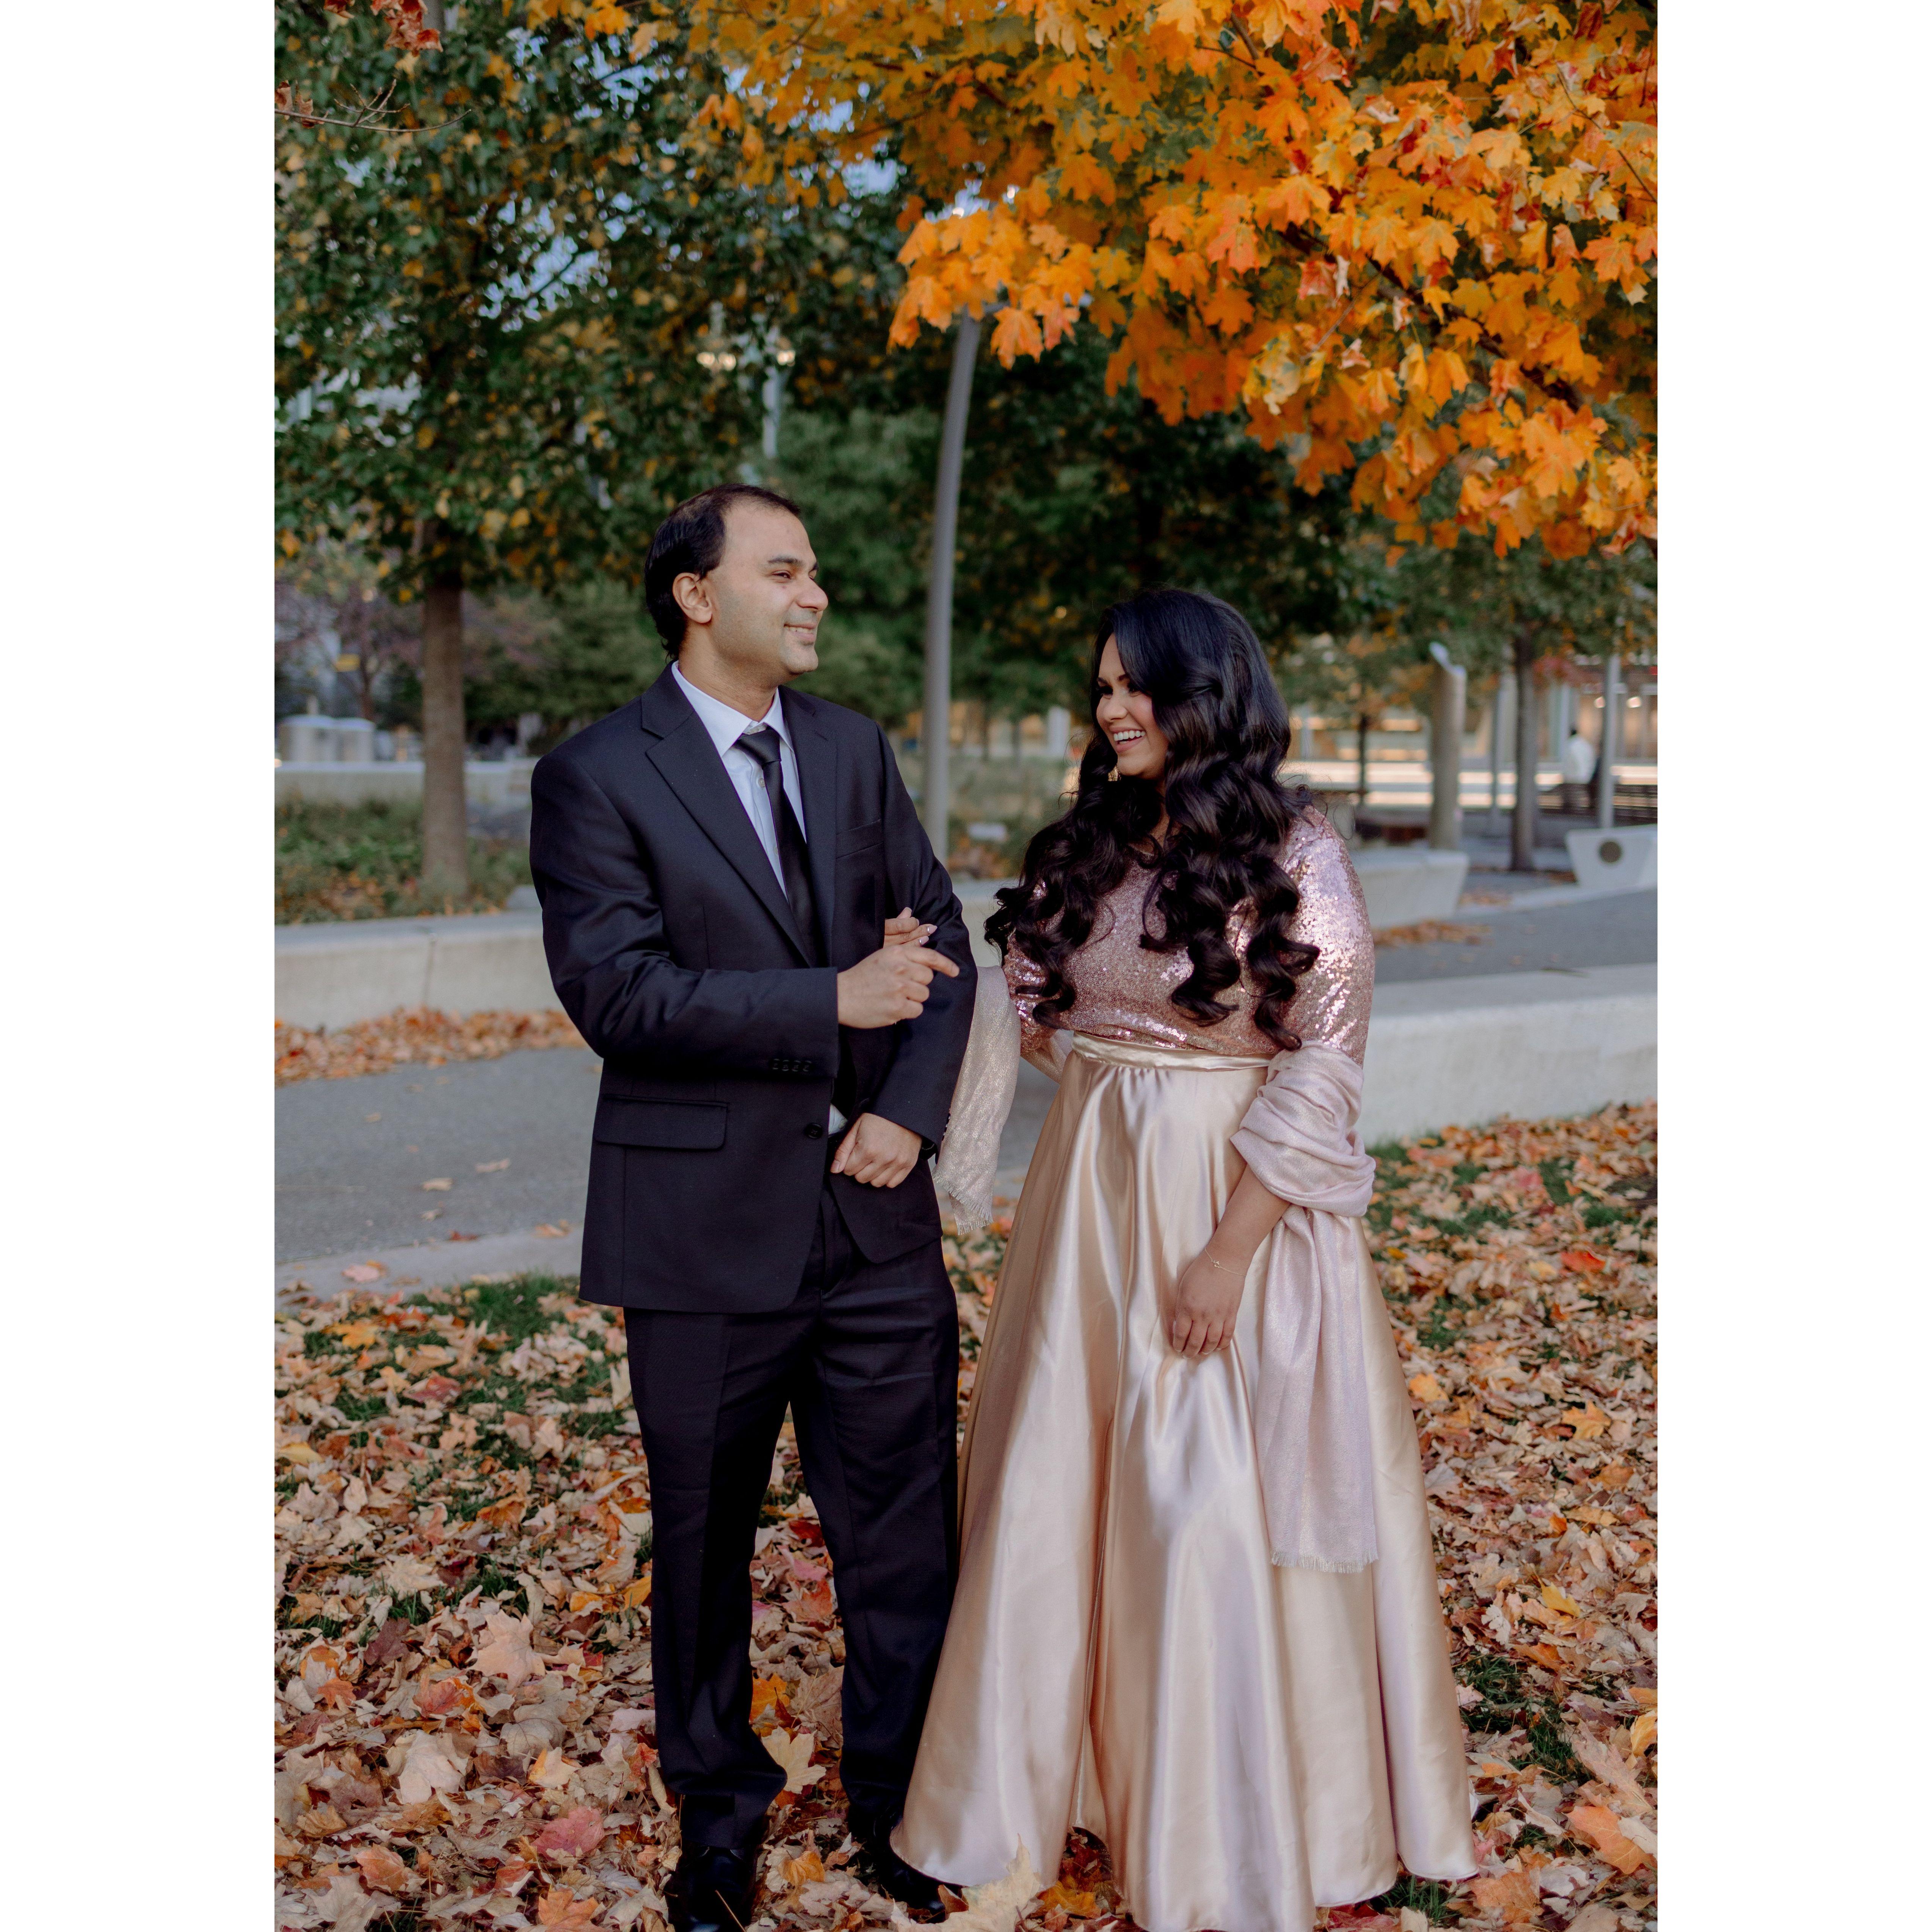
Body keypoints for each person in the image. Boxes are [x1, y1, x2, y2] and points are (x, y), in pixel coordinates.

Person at [894, 589, 1477, 1932]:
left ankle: (1226, 1816)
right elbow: (1039, 1005)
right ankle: (1043, 1775)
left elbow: (1325, 1061)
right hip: (1088, 1197)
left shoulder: (1297, 848)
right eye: (1100, 686)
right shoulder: (1097, 837)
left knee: (1199, 1489)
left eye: (1135, 686)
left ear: (1207, 696)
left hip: (1227, 1202)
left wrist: (1224, 1251)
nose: (1111, 708)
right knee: (1059, 1478)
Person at [529, 483, 974, 1932]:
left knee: (905, 1536)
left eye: (816, 572)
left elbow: (940, 937)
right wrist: (828, 998)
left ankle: (901, 1804)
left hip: (875, 1217)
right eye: (783, 571)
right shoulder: (596, 774)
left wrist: (908, 1112)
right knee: (704, 1542)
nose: (814, 594)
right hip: (700, 1230)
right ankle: (716, 1825)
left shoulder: (850, 749)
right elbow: (619, 994)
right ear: (696, 594)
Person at [1562, 726, 1598, 813]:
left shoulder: (1571, 745)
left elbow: (1573, 763)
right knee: (1577, 801)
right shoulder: (1585, 745)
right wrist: (1586, 776)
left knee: (1573, 802)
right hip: (1583, 778)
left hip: (1573, 779)